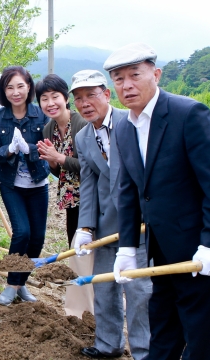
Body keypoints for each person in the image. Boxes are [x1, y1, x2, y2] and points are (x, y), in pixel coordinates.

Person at [106, 43, 210, 360]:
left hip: (198, 252)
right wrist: (126, 247)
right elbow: (129, 190)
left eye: (134, 75)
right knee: (163, 331)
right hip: (160, 251)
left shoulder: (189, 114)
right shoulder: (124, 127)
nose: (127, 85)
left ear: (156, 74)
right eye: (118, 78)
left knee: (199, 339)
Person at [70, 70, 151, 359]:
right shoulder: (82, 137)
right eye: (79, 98)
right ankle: (108, 344)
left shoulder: (131, 124)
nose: (85, 103)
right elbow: (89, 182)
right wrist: (86, 227)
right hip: (106, 228)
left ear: (106, 94)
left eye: (91, 95)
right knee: (104, 288)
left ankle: (144, 351)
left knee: (140, 292)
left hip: (139, 226)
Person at [0, 66, 50, 306]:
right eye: (10, 87)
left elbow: (49, 145)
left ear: (29, 88)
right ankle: (11, 284)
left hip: (38, 183)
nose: (16, 92)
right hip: (11, 183)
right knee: (22, 231)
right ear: (4, 91)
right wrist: (11, 149)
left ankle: (22, 284)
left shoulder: (40, 115)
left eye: (20, 86)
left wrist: (30, 149)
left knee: (37, 238)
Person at [35, 74, 94, 318]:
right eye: (44, 98)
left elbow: (91, 166)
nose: (50, 103)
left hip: (92, 198)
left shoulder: (81, 123)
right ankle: (81, 310)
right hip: (72, 199)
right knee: (77, 251)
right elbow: (58, 171)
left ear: (65, 98)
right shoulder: (48, 128)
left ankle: (93, 308)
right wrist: (51, 161)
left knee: (93, 252)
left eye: (55, 97)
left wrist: (59, 158)